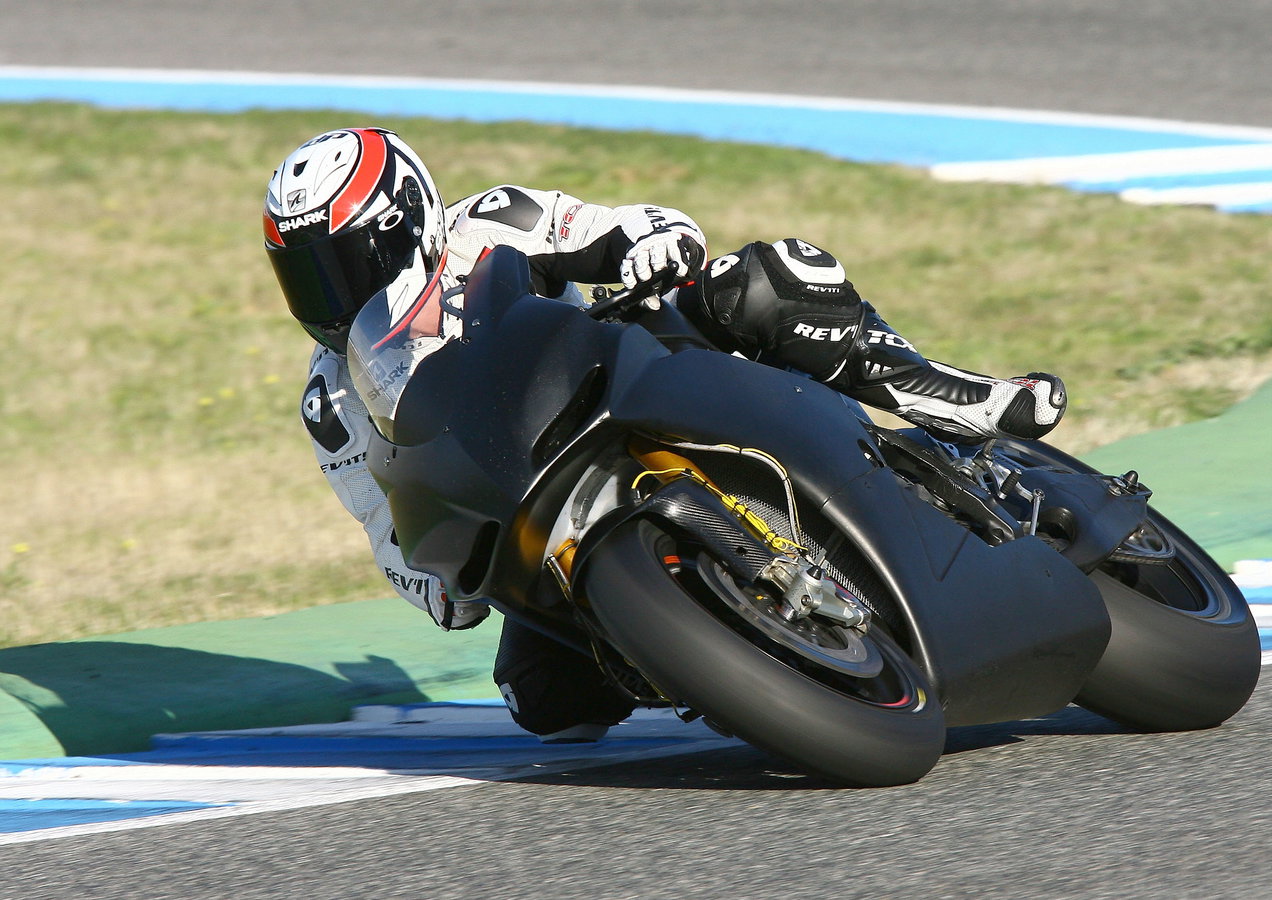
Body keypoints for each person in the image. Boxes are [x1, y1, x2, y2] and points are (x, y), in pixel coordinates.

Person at [264, 127, 1067, 741]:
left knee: (756, 283)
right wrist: (438, 583)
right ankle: (724, 646)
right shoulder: (329, 398)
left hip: (628, 374)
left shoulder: (493, 220)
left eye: (349, 261)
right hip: (530, 493)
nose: (334, 293)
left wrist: (654, 243)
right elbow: (384, 520)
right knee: (546, 705)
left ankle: (952, 396)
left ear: (410, 217)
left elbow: (626, 226)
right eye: (309, 275)